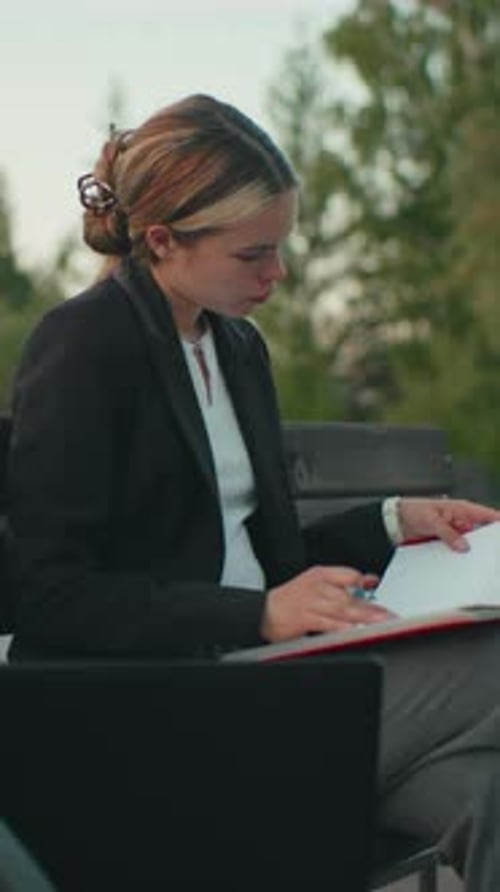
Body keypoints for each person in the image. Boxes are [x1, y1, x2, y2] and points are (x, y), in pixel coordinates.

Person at [5, 93, 500, 889]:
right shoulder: (84, 345)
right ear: (162, 241)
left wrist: (393, 519)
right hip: (159, 704)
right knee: (491, 658)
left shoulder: (235, 347)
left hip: (265, 675)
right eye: (253, 254)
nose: (277, 274)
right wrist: (258, 616)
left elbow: (263, 555)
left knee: (489, 790)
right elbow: (47, 593)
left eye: (281, 248)